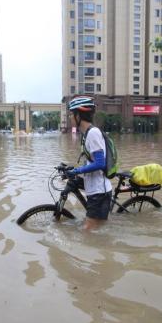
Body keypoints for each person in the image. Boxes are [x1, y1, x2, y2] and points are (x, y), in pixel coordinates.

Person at [66, 96, 113, 231]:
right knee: (97, 229)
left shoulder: (93, 133)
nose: (70, 117)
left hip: (99, 191)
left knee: (88, 232)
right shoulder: (86, 134)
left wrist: (77, 171)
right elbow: (90, 160)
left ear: (78, 115)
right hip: (94, 188)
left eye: (71, 114)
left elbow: (100, 163)